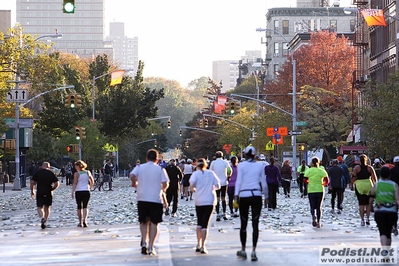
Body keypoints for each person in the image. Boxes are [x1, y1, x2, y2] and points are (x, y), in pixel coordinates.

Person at [130, 149, 169, 256]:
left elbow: (132, 176)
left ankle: (144, 242)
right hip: (155, 199)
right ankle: (151, 246)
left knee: (143, 222)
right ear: (157, 159)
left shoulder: (139, 167)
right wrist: (162, 190)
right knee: (154, 223)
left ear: (146, 158)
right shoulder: (160, 169)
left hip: (142, 198)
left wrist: (135, 183)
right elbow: (165, 184)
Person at [234, 146, 268, 261]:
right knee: (255, 224)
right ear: (254, 155)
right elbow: (263, 182)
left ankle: (243, 249)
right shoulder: (260, 165)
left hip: (244, 195)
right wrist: (267, 196)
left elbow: (238, 181)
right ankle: (254, 250)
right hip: (256, 196)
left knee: (243, 223)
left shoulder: (241, 165)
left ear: (245, 155)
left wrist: (236, 195)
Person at [189, 158, 221, 254]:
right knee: (205, 223)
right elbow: (218, 185)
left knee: (199, 221)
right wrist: (212, 188)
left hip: (199, 199)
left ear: (197, 166)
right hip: (210, 200)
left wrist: (195, 189)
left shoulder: (195, 174)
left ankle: (198, 244)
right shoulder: (211, 173)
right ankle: (203, 245)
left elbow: (192, 186)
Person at [369, 167, 399, 252]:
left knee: (382, 232)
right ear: (390, 175)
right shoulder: (394, 185)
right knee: (388, 232)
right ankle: (387, 249)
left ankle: (384, 250)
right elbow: (397, 199)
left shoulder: (377, 184)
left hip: (380, 210)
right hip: (392, 211)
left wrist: (370, 206)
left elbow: (371, 197)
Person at [30, 162, 60, 229]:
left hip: (40, 191)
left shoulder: (38, 173)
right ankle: (45, 220)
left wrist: (32, 191)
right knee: (47, 207)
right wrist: (53, 189)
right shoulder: (51, 173)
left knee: (39, 207)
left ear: (42, 166)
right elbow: (57, 183)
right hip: (48, 191)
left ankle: (42, 217)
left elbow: (32, 182)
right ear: (48, 167)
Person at [350, 154, 377, 226]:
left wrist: (351, 185)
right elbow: (374, 178)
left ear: (359, 160)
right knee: (368, 204)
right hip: (368, 185)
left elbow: (353, 178)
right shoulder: (370, 168)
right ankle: (368, 218)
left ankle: (362, 220)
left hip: (359, 186)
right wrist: (375, 186)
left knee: (361, 204)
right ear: (366, 160)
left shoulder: (356, 168)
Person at [304, 157, 329, 228]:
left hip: (311, 190)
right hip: (320, 190)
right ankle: (318, 222)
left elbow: (305, 180)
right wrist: (323, 184)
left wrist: (309, 182)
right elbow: (327, 180)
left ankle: (313, 216)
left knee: (312, 205)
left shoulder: (309, 171)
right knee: (319, 207)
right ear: (319, 162)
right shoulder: (322, 170)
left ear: (312, 163)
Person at [209, 151, 231, 221]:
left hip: (216, 183)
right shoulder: (225, 162)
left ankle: (218, 214)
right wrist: (228, 176)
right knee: (224, 198)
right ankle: (224, 213)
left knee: (217, 199)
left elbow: (210, 172)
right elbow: (229, 169)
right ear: (222, 156)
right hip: (224, 182)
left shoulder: (213, 163)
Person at [71, 160, 94, 227]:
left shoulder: (76, 174)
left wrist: (72, 191)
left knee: (79, 207)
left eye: (76, 166)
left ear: (78, 166)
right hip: (86, 190)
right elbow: (92, 180)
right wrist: (90, 187)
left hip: (79, 191)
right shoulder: (87, 172)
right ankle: (85, 220)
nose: (75, 167)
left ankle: (80, 222)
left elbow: (75, 183)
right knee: (85, 206)